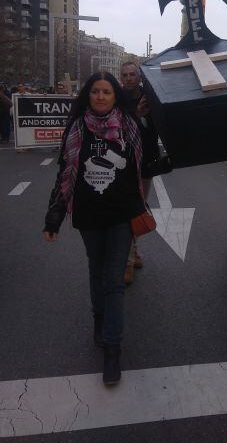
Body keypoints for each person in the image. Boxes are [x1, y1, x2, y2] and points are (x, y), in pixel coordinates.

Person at [43, 72, 160, 385]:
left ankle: (113, 347)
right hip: (88, 214)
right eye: (95, 91)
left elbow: (148, 160)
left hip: (121, 214)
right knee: (96, 271)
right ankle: (99, 318)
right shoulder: (77, 127)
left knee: (114, 280)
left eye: (106, 91)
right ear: (88, 95)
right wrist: (53, 217)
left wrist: (153, 119)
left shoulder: (130, 125)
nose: (100, 96)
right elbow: (65, 174)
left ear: (115, 95)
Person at [120, 60, 160, 284]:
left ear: (139, 76)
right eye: (124, 75)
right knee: (128, 207)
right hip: (123, 160)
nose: (128, 79)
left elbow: (161, 123)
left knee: (139, 206)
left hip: (146, 157)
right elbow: (116, 126)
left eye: (132, 74)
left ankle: (134, 250)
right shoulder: (116, 97)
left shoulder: (151, 95)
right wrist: (137, 113)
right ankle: (128, 259)